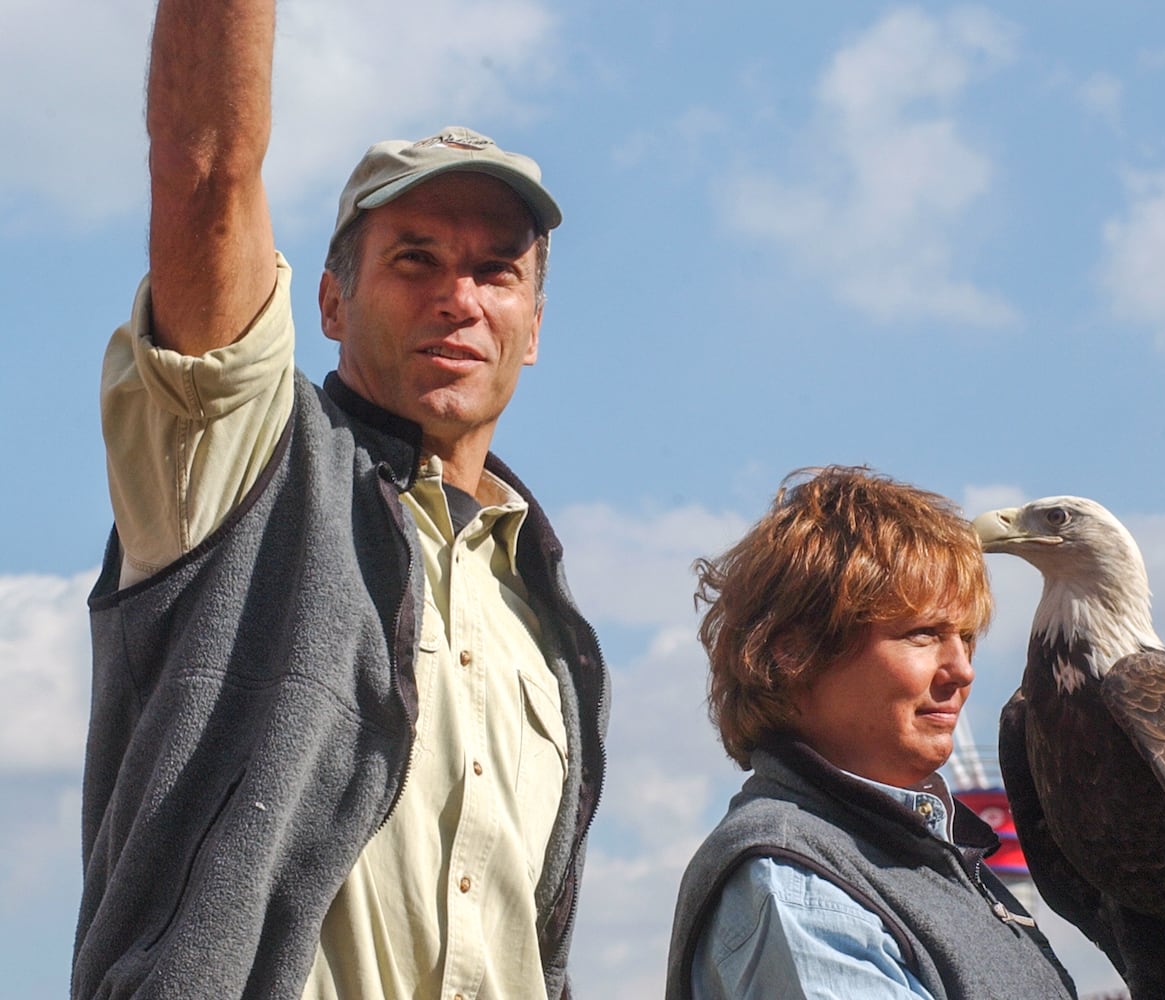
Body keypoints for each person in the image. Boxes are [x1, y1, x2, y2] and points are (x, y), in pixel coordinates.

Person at [75, 2, 608, 998]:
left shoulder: (549, 619)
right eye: (416, 259)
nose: (460, 297)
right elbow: (205, 174)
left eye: (496, 272)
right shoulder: (245, 466)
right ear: (329, 303)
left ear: (531, 327)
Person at [666, 467, 1076, 999]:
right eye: (923, 634)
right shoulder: (797, 882)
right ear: (796, 651)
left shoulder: (912, 859)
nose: (962, 669)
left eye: (968, 638)